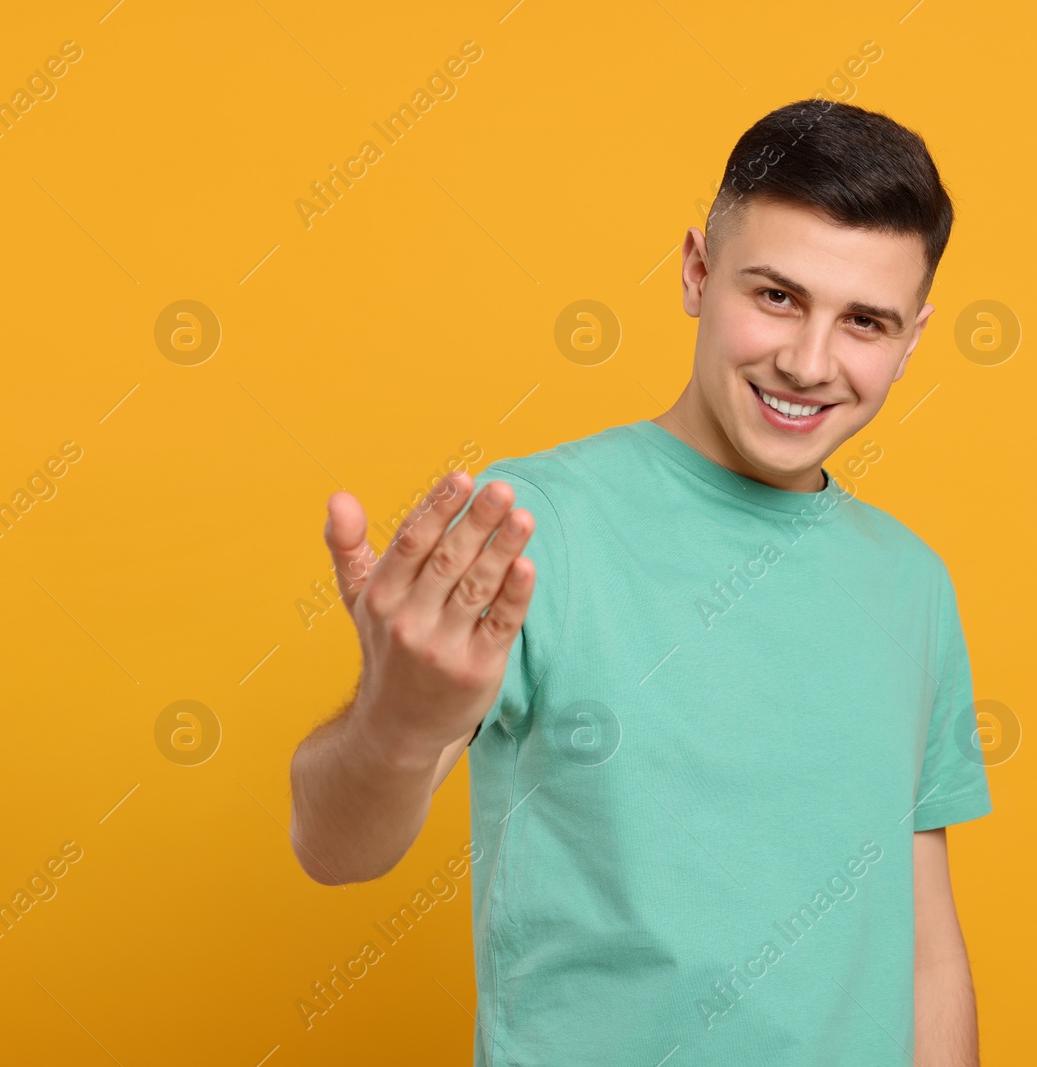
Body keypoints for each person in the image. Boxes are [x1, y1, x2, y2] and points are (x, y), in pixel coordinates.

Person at [288, 98, 992, 1066]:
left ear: (911, 338)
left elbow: (923, 946)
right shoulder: (526, 524)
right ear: (697, 273)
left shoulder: (909, 580)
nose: (808, 360)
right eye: (776, 295)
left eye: (864, 321)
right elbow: (335, 848)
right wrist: (400, 717)